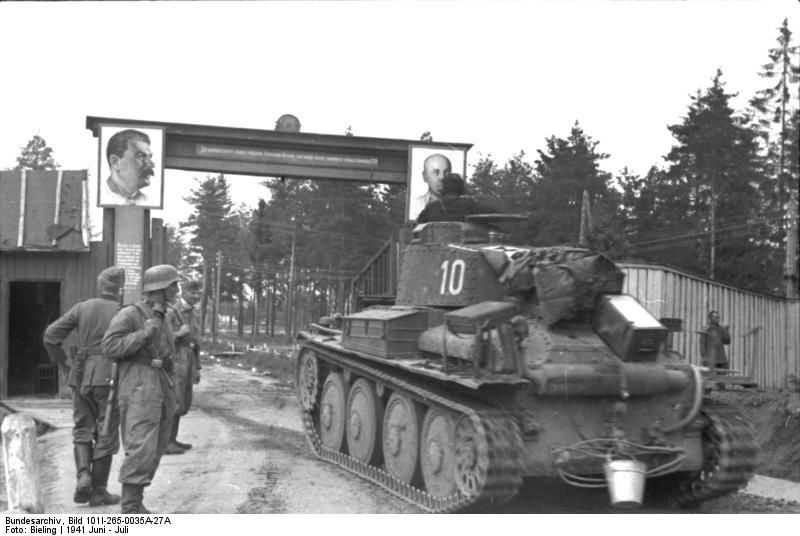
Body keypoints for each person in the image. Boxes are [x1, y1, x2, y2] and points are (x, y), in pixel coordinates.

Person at [101, 264, 183, 514]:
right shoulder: (130, 314)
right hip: (139, 385)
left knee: (157, 445)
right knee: (141, 445)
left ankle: (136, 501)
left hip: (162, 383)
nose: (177, 290)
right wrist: (145, 333)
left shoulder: (165, 316)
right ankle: (130, 506)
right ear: (159, 288)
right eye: (173, 285)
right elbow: (110, 347)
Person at [43, 266, 124, 507]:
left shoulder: (82, 307)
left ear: (100, 286)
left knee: (82, 429)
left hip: (80, 375)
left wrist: (63, 363)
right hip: (110, 377)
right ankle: (98, 491)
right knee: (106, 432)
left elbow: (50, 336)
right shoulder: (123, 311)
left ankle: (83, 476)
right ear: (119, 289)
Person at [164, 279, 203, 455]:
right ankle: (166, 442)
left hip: (189, 360)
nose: (196, 295)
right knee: (174, 401)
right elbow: (162, 337)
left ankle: (173, 439)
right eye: (192, 292)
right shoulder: (172, 312)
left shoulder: (194, 314)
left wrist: (198, 368)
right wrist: (179, 333)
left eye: (198, 292)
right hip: (176, 360)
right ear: (183, 292)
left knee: (183, 401)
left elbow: (196, 343)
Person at [101, 129, 155, 206]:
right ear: (115, 162)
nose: (152, 164)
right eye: (141, 157)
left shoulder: (147, 201)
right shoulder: (99, 196)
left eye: (150, 157)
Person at [417, 173, 495, 223]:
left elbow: (420, 221)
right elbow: (492, 213)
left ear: (443, 188)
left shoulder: (431, 207)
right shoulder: (469, 204)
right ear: (461, 188)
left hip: (434, 243)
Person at [410, 153, 452, 220]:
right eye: (436, 172)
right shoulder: (414, 205)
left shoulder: (460, 207)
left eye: (446, 172)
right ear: (425, 176)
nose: (442, 177)